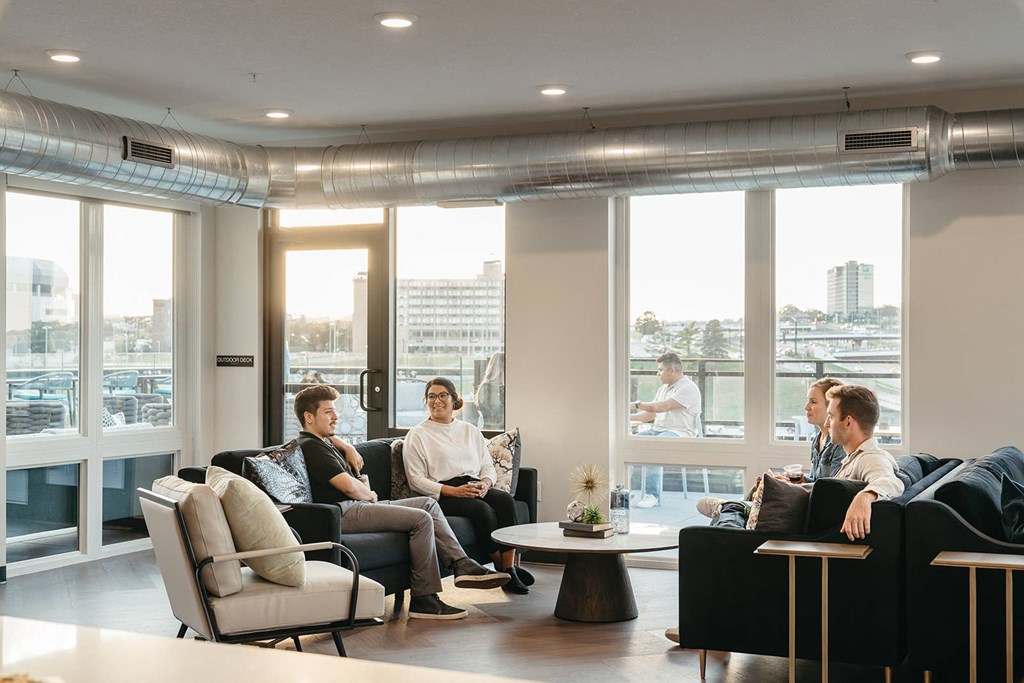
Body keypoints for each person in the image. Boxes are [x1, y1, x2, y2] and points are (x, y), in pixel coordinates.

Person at [294, 384, 510, 621]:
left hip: (357, 507)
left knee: (428, 504)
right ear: (309, 417)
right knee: (420, 518)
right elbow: (348, 486)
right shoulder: (312, 447)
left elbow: (336, 453)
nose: (335, 417)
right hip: (344, 513)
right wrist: (369, 495)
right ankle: (423, 599)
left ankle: (461, 564)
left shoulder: (322, 442)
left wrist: (344, 445)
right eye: (328, 412)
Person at [696, 384, 904, 540]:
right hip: (802, 523)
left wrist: (865, 497)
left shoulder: (871, 457)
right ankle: (735, 508)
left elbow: (890, 481)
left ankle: (734, 508)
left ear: (848, 422)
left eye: (831, 416)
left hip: (796, 538)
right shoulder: (854, 457)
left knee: (725, 522)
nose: (827, 423)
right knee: (728, 519)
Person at [403, 377, 534, 595]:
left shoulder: (470, 430)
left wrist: (485, 483)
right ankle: (504, 569)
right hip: (443, 494)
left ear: (454, 399)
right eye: (431, 396)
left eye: (443, 395)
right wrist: (453, 491)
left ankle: (508, 567)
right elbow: (416, 480)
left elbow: (487, 466)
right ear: (426, 401)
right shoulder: (417, 435)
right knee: (480, 510)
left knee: (504, 501)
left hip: (473, 484)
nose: (437, 401)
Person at [628, 352, 702, 507]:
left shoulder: (688, 388)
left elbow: (661, 407)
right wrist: (626, 417)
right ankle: (626, 490)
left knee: (654, 444)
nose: (658, 374)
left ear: (672, 371)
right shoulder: (664, 389)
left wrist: (635, 404)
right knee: (630, 442)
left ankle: (652, 495)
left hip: (681, 434)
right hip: (658, 431)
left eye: (661, 370)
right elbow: (649, 415)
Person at [805, 377, 845, 481]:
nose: (806, 407)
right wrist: (801, 480)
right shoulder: (817, 440)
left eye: (813, 402)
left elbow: (831, 488)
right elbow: (815, 481)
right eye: (807, 401)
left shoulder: (839, 444)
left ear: (831, 405)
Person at [475, 351, 504, 430]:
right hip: (494, 432)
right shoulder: (488, 388)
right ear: (500, 369)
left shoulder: (501, 388)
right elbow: (498, 416)